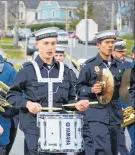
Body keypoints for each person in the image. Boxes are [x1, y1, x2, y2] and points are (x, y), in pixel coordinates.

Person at [6, 27, 90, 155]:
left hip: (59, 130)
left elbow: (70, 100)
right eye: (46, 43)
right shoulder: (27, 70)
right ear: (37, 44)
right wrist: (28, 104)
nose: (50, 47)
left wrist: (77, 105)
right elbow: (12, 95)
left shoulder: (66, 71)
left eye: (53, 43)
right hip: (34, 128)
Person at [75, 30, 127, 155]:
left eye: (112, 42)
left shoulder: (121, 66)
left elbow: (126, 92)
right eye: (107, 42)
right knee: (103, 150)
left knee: (114, 151)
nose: (110, 45)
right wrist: (91, 89)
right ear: (98, 44)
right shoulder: (89, 66)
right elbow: (78, 88)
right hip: (96, 112)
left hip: (115, 113)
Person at [112, 40, 130, 155]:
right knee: (119, 140)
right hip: (117, 108)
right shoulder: (109, 67)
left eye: (124, 51)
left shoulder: (129, 66)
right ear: (113, 52)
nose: (123, 54)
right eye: (119, 52)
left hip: (130, 107)